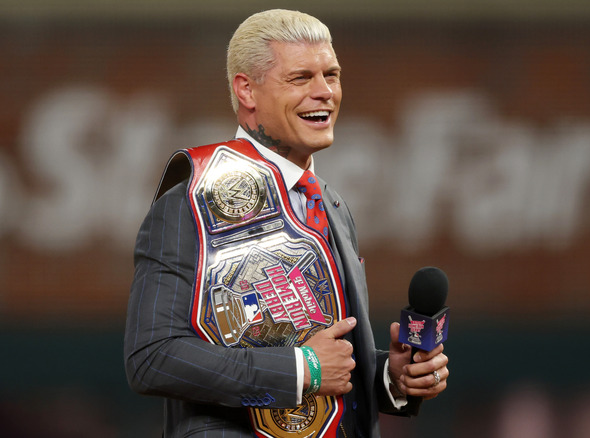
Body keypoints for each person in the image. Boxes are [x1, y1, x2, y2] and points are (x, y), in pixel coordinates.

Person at [124, 9, 449, 437]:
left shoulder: (330, 204)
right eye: (300, 79)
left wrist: (393, 378)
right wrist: (303, 369)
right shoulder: (190, 200)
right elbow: (152, 358)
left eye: (331, 75)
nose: (324, 92)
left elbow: (328, 365)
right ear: (247, 91)